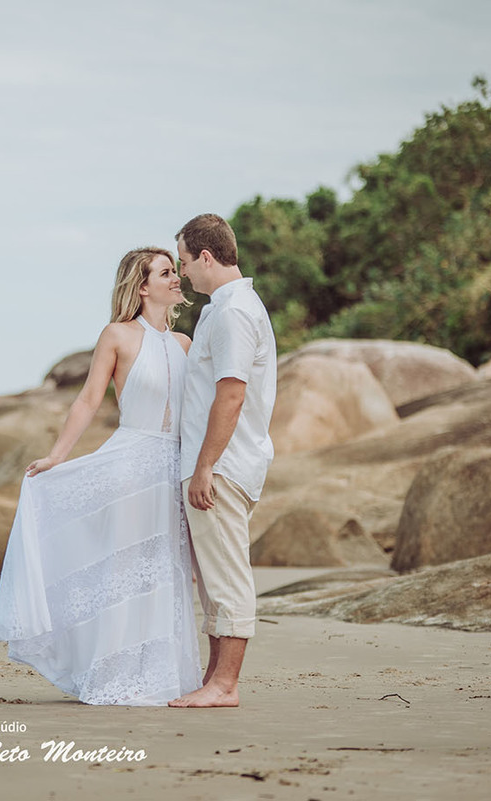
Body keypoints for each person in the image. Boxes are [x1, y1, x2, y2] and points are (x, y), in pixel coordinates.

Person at [0, 246, 202, 705]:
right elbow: (87, 400)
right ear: (142, 287)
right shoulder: (118, 336)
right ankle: (112, 672)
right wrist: (57, 457)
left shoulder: (185, 343)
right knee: (124, 567)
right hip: (130, 464)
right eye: (166, 273)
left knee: (166, 571)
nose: (175, 278)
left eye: (174, 271)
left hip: (172, 469)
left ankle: (161, 674)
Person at [168, 213, 277, 709]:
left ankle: (225, 684)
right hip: (214, 461)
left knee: (228, 574)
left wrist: (206, 465)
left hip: (223, 465)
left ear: (207, 257)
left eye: (186, 262)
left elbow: (231, 394)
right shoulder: (221, 307)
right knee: (214, 578)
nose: (183, 273)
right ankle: (216, 678)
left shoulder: (234, 311)